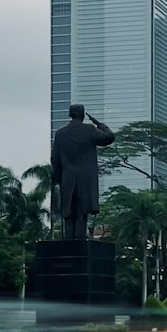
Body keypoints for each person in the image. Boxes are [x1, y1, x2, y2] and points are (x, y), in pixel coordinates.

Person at [50, 103, 115, 240]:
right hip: (85, 178)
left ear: (70, 114)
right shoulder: (89, 130)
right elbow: (109, 137)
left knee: (68, 213)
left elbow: (55, 159)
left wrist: (56, 178)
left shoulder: (60, 133)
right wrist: (100, 124)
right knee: (81, 212)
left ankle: (68, 241)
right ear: (83, 115)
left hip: (67, 177)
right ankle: (79, 239)